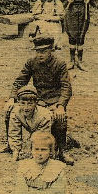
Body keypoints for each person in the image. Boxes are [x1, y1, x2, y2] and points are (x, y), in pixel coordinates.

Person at [7, 36, 74, 165]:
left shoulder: (59, 63)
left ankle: (62, 151)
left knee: (60, 119)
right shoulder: (31, 62)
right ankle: (10, 145)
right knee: (10, 111)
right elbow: (20, 81)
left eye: (43, 51)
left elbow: (66, 87)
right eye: (37, 51)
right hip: (38, 100)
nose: (40, 54)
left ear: (51, 50)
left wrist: (60, 105)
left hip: (54, 101)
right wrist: (12, 98)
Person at [0, 86, 53, 161]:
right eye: (22, 103)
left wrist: (34, 153)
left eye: (30, 104)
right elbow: (14, 132)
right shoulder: (16, 112)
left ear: (36, 103)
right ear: (18, 102)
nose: (26, 108)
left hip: (51, 129)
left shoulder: (44, 116)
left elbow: (42, 136)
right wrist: (16, 152)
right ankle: (9, 147)